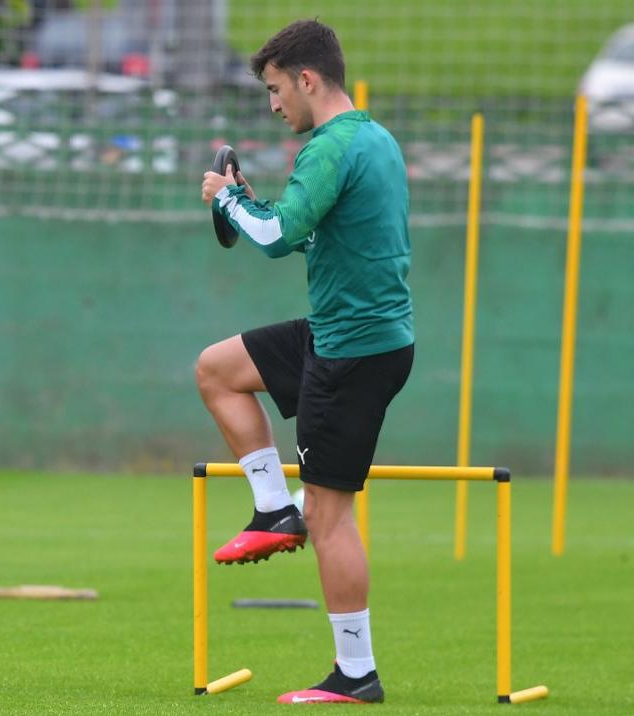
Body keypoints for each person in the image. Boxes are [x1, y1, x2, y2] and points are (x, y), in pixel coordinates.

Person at [196, 19, 414, 705]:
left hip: (354, 352)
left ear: (307, 79)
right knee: (218, 369)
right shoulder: (371, 137)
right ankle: (270, 508)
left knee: (330, 514)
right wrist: (254, 201)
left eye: (274, 89)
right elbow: (298, 227)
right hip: (340, 334)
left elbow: (274, 236)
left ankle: (356, 673)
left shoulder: (331, 147)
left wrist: (226, 197)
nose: (272, 104)